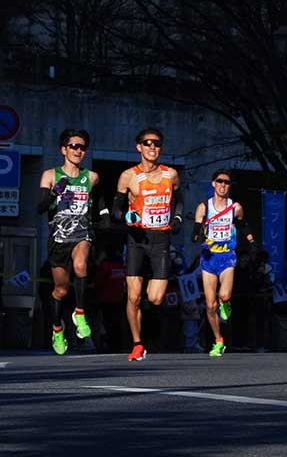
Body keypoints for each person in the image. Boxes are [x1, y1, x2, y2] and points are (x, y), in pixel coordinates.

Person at [113, 128, 184, 361]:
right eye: (147, 143)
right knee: (133, 297)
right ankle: (137, 343)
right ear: (139, 147)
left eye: (157, 144)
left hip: (161, 239)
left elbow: (180, 200)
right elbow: (116, 209)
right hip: (136, 240)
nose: (152, 147)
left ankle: (146, 326)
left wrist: (178, 218)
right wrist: (126, 217)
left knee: (155, 298)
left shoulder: (170, 174)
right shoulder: (129, 176)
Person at [37, 129, 108, 354]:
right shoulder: (50, 175)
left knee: (81, 266)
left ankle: (79, 313)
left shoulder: (92, 177)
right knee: (60, 290)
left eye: (82, 147)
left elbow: (100, 201)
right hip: (58, 237)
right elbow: (40, 208)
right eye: (73, 146)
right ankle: (58, 328)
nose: (78, 150)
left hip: (81, 232)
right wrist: (53, 194)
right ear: (64, 150)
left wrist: (105, 216)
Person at [191, 169, 257, 358]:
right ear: (213, 184)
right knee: (210, 305)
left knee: (225, 295)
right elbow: (195, 231)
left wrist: (252, 242)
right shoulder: (204, 206)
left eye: (227, 183)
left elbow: (244, 225)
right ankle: (218, 340)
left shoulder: (235, 207)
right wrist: (198, 235)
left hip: (227, 256)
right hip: (209, 256)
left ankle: (225, 304)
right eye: (219, 181)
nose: (223, 185)